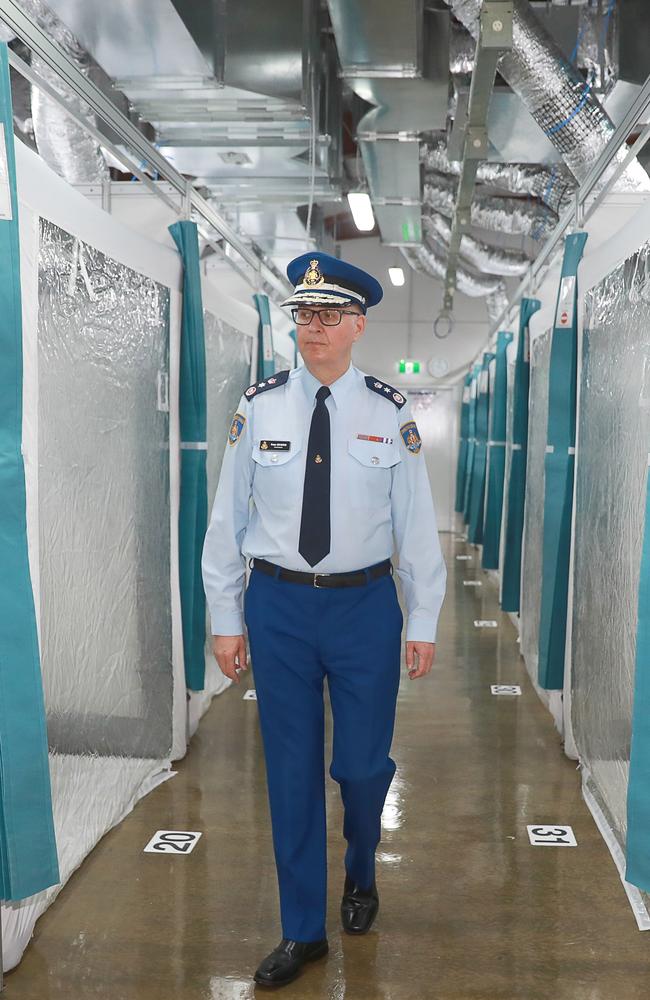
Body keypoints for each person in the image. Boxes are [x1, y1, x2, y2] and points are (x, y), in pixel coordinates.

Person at [201, 251, 447, 988]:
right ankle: (302, 929)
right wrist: (225, 613)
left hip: (365, 607)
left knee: (363, 767)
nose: (313, 328)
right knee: (291, 770)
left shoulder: (389, 411)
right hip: (277, 605)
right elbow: (227, 516)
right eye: (304, 315)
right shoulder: (261, 404)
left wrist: (424, 618)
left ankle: (361, 868)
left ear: (357, 325)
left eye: (329, 315)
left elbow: (416, 524)